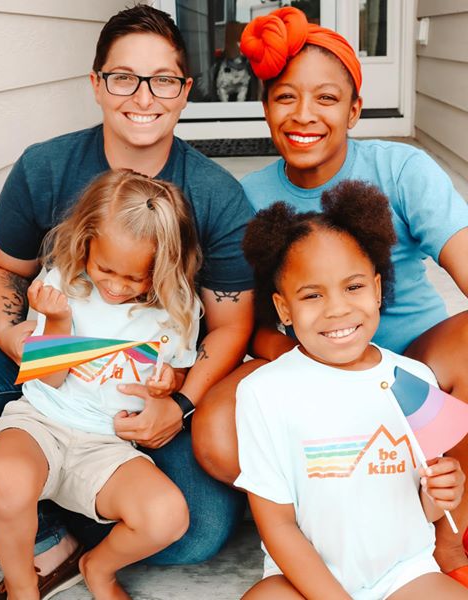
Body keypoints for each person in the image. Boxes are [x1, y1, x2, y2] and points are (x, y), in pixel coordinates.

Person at [192, 6, 468, 585]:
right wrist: (317, 373)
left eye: (326, 98)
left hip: (410, 361)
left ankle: (447, 532)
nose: (304, 115)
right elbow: (256, 323)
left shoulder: (401, 169)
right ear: (266, 108)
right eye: (285, 97)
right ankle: (319, 514)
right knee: (216, 432)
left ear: (354, 109)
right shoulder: (249, 198)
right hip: (310, 368)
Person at [0, 4, 254, 597]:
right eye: (123, 77)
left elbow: (229, 326)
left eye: (162, 79)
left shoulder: (214, 196)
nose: (143, 96)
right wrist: (14, 337)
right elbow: (6, 270)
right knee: (6, 466)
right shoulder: (46, 167)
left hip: (122, 405)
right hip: (44, 370)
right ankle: (39, 529)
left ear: (185, 89)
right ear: (97, 83)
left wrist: (178, 402)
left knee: (197, 531)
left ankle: (65, 521)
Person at [235, 179, 467, 600]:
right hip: (306, 580)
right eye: (312, 295)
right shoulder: (263, 392)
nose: (337, 308)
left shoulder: (414, 378)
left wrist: (445, 492)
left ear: (377, 290)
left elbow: (424, 506)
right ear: (284, 309)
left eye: (354, 286)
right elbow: (277, 525)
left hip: (404, 573)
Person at [0, 169, 204, 599]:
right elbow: (48, 376)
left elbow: (179, 369)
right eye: (106, 269)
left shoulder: (177, 311)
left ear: (164, 267)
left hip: (107, 448)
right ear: (86, 241)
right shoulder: (60, 286)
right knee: (4, 481)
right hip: (40, 423)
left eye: (135, 278)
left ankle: (98, 567)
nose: (116, 287)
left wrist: (168, 384)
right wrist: (59, 320)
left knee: (167, 516)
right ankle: (22, 585)